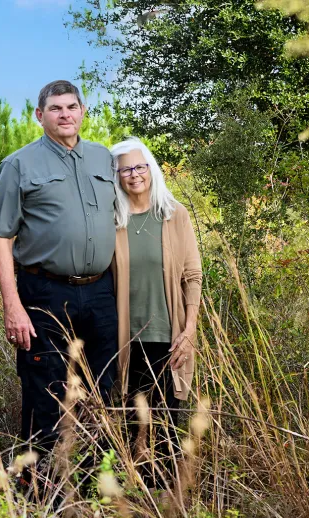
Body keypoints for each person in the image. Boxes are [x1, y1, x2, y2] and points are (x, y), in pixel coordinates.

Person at [0, 80, 118, 460]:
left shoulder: (103, 159)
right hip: (45, 291)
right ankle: (41, 486)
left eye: (71, 107)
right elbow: (1, 240)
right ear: (39, 115)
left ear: (82, 111)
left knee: (101, 386)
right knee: (45, 387)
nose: (65, 115)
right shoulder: (19, 165)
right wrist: (12, 306)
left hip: (100, 291)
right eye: (56, 109)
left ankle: (94, 484)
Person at [109, 137, 202, 486]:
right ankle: (137, 496)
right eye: (125, 170)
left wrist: (189, 328)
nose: (134, 175)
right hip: (125, 338)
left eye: (139, 166)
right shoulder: (112, 220)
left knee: (166, 420)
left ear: (151, 168)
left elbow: (193, 275)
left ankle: (164, 498)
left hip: (169, 334)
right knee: (134, 419)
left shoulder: (175, 214)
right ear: (116, 177)